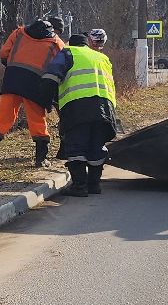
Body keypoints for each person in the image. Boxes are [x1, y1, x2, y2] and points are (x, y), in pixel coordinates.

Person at [0, 16, 67, 167]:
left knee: (3, 117)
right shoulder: (56, 43)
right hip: (35, 84)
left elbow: (3, 53)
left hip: (12, 79)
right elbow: (62, 64)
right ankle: (40, 159)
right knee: (37, 120)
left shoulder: (19, 33)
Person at [47, 28, 118, 197]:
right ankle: (94, 185)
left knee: (77, 146)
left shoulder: (68, 53)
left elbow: (51, 76)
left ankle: (79, 186)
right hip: (105, 108)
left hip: (77, 107)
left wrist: (47, 98)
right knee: (96, 146)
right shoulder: (102, 58)